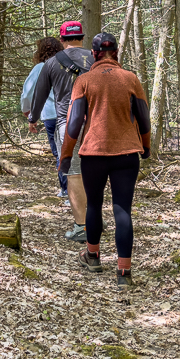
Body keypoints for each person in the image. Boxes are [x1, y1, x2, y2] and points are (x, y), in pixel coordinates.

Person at [59, 32, 150, 285]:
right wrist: (146, 146)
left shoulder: (85, 81)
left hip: (93, 154)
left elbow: (74, 123)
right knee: (123, 210)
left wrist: (66, 156)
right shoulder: (131, 78)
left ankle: (93, 256)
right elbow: (143, 118)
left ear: (94, 54)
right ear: (116, 53)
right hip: (127, 154)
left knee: (94, 205)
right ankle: (123, 273)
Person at [27, 21, 94, 241]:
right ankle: (95, 221)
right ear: (82, 38)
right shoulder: (96, 59)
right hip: (96, 124)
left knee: (74, 173)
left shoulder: (52, 63)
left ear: (62, 40)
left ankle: (81, 227)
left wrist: (32, 118)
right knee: (94, 172)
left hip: (68, 124)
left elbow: (39, 95)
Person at [21, 36, 64, 192]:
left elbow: (27, 94)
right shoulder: (67, 65)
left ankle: (66, 190)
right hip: (72, 113)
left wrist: (29, 112)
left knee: (60, 153)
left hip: (51, 115)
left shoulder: (40, 68)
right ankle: (75, 189)